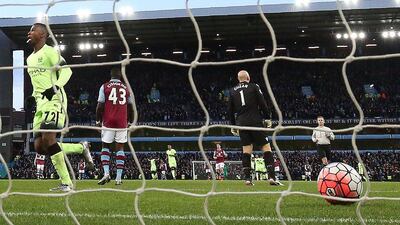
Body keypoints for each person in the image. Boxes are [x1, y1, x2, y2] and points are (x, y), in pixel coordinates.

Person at [26, 23, 93, 192]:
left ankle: (67, 183)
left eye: (33, 30)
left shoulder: (50, 51)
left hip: (55, 99)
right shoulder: (29, 58)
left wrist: (54, 88)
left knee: (49, 139)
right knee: (40, 147)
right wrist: (33, 97)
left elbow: (67, 71)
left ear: (42, 34)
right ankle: (81, 148)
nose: (29, 32)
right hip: (40, 103)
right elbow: (38, 83)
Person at [228, 70, 282, 186]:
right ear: (248, 77)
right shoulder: (254, 87)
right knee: (266, 148)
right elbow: (262, 103)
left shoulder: (232, 90)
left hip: (242, 123)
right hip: (255, 122)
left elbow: (230, 110)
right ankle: (272, 177)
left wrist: (233, 125)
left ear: (239, 79)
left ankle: (247, 179)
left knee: (246, 151)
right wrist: (267, 117)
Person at [96, 67, 134, 186]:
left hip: (108, 121)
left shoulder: (104, 86)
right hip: (122, 122)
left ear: (111, 76)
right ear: (120, 77)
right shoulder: (127, 88)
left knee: (105, 146)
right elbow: (131, 107)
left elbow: (100, 105)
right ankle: (118, 178)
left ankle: (106, 173)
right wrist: (130, 121)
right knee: (120, 148)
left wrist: (98, 120)